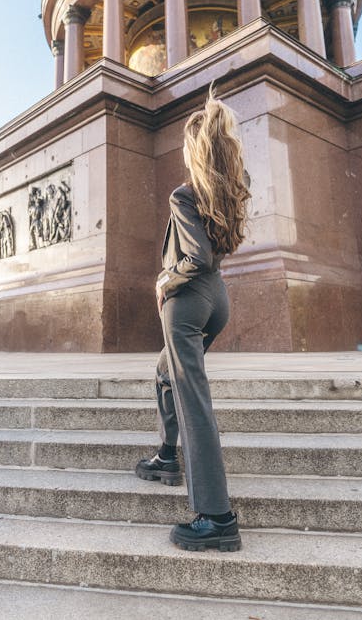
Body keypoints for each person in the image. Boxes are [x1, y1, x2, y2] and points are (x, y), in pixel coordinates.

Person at [136, 89, 250, 552]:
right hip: (217, 298)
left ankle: (216, 515)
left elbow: (197, 257)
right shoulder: (231, 185)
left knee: (193, 402)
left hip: (186, 302)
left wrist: (166, 279)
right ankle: (167, 457)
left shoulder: (183, 194)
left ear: (193, 150)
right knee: (165, 374)